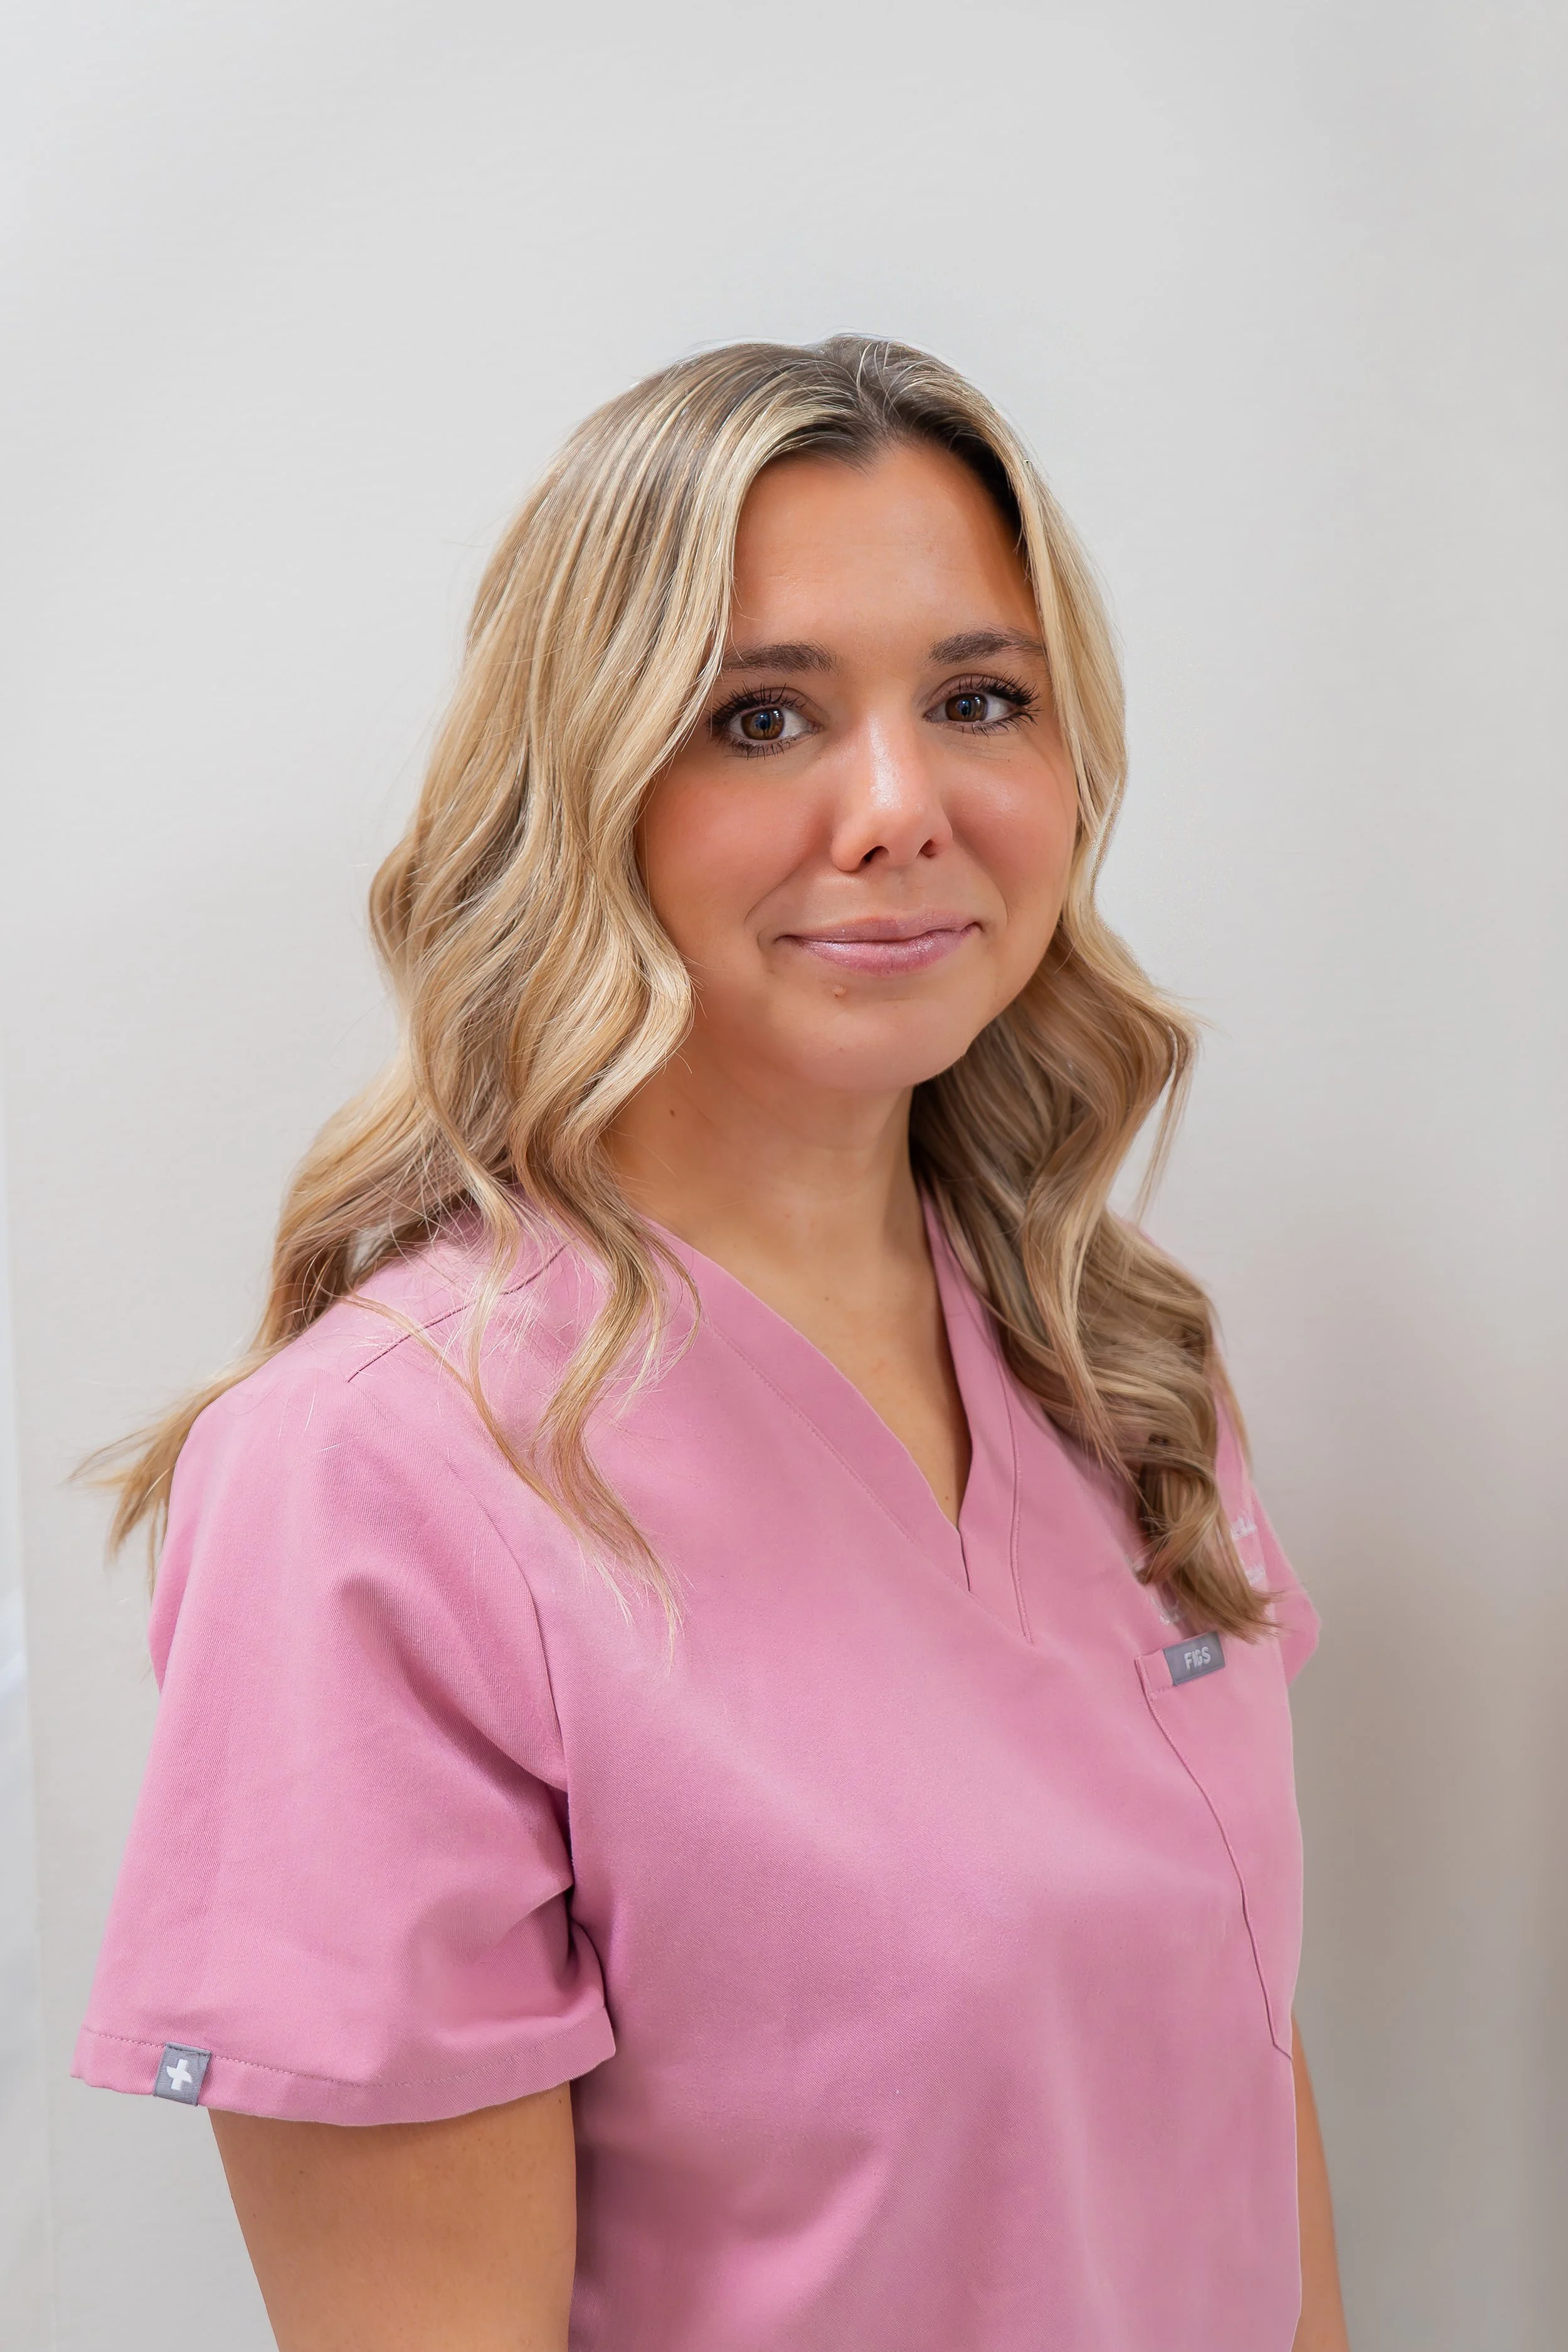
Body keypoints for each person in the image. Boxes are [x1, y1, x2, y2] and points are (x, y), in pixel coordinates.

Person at [75, 336, 1348, 2351]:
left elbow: (1225, 2103)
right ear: (582, 785)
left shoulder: (1122, 1382)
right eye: (760, 714)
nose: (899, 805)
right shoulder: (384, 1482)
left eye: (977, 698)